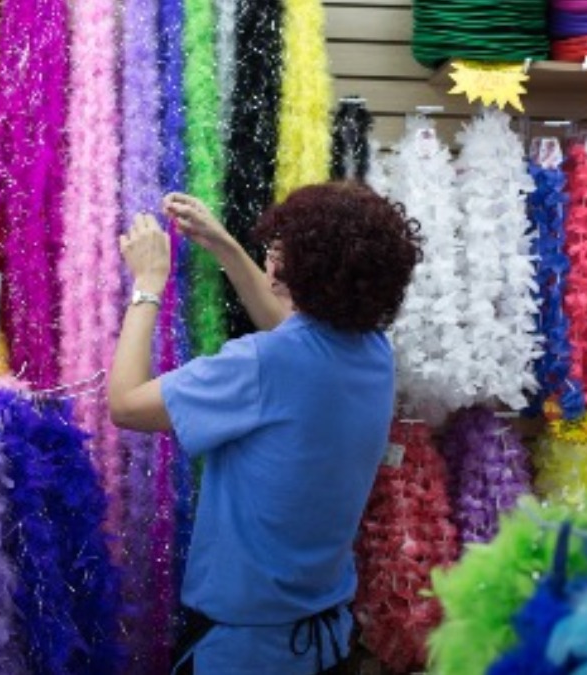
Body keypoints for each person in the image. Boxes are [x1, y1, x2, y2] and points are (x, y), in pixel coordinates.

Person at [108, 182, 422, 675]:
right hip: (327, 641)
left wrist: (148, 283)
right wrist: (227, 247)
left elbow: (125, 404)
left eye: (279, 248)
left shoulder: (262, 364)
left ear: (301, 268)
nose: (271, 252)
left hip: (245, 653)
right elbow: (292, 330)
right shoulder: (374, 352)